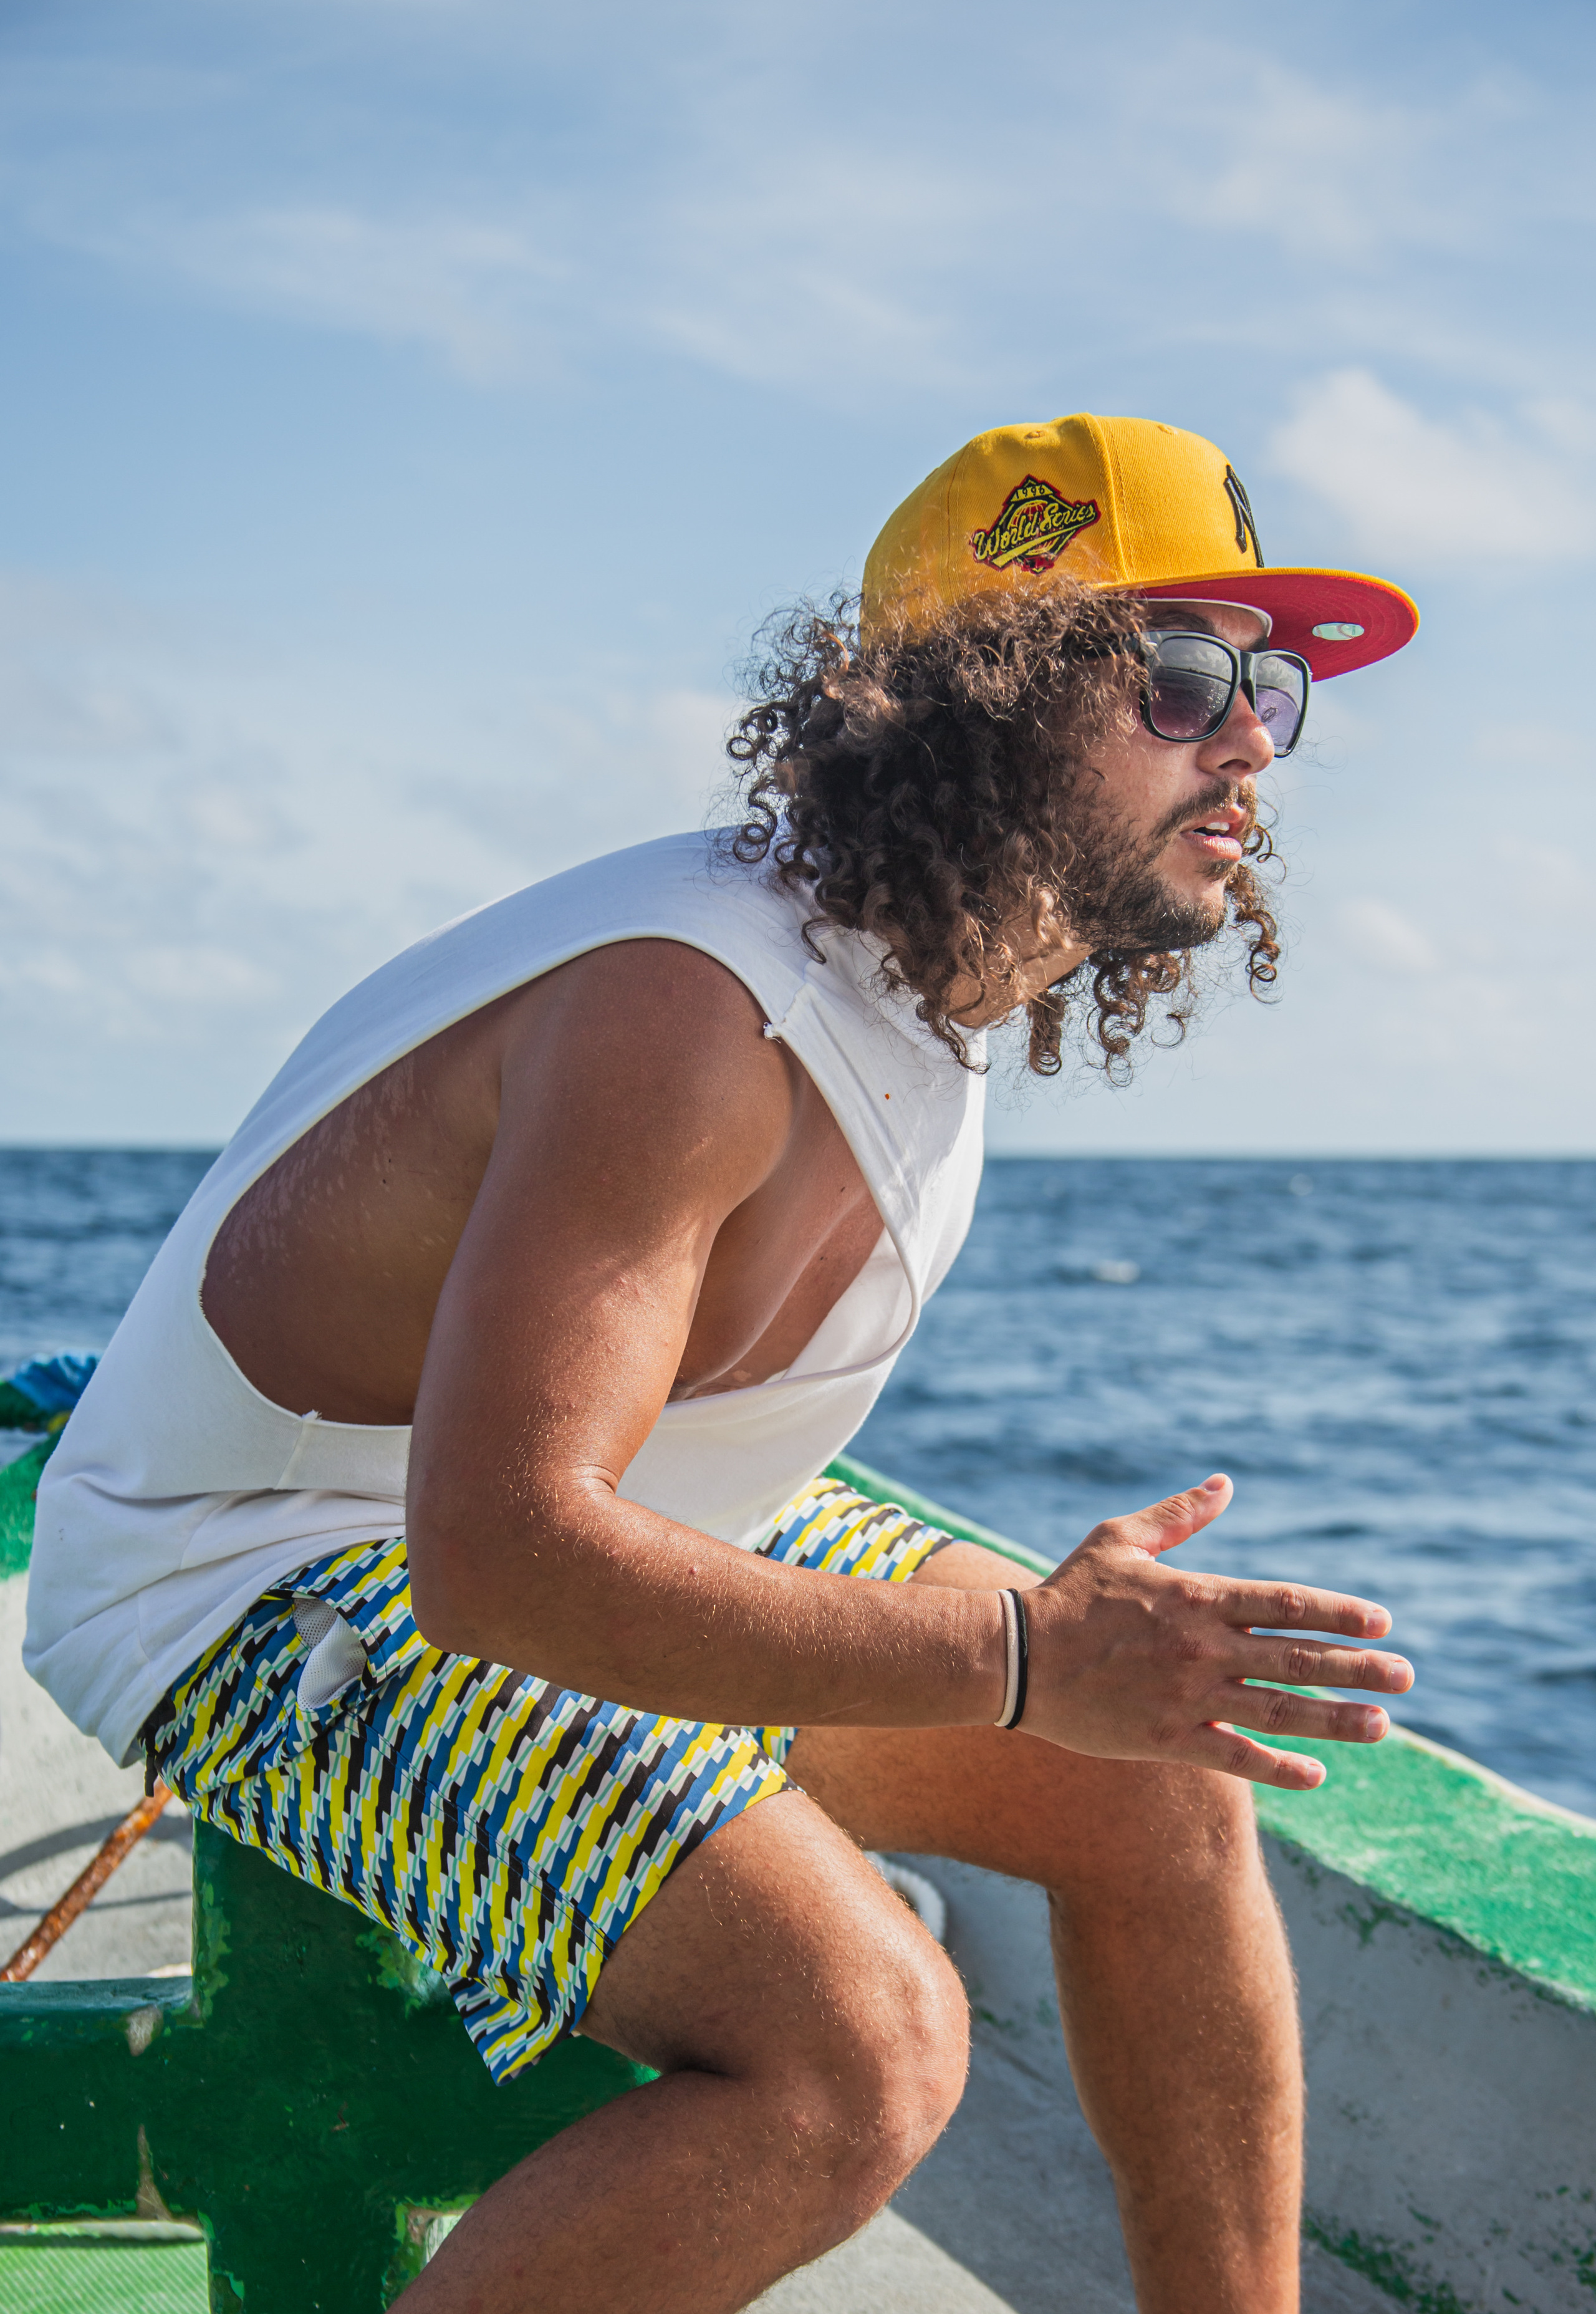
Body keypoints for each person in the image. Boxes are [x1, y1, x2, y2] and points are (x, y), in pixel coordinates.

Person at [26, 412, 1420, 2314]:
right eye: (1184, 676)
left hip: (556, 1523)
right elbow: (501, 1560)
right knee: (866, 2043)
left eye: (1272, 688)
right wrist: (1020, 1658)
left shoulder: (928, 991)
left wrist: (1071, 1686)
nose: (1252, 733)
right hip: (256, 1572)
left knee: (1162, 1782)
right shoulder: (696, 1014)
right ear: (979, 704)